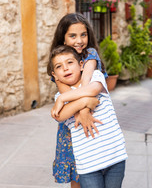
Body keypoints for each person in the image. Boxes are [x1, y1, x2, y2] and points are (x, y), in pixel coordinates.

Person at [49, 45, 128, 188]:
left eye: (70, 62)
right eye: (59, 66)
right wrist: (85, 101)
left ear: (81, 65)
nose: (65, 68)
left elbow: (93, 90)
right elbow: (59, 116)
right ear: (55, 75)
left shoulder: (95, 77)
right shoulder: (58, 97)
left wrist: (64, 99)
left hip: (114, 156)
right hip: (88, 165)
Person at [47, 13, 108, 188]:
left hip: (95, 121)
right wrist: (83, 108)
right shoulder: (59, 62)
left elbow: (86, 86)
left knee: (98, 172)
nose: (79, 40)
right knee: (77, 176)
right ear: (63, 39)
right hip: (72, 126)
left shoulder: (90, 55)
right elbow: (74, 95)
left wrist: (84, 109)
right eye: (72, 36)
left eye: (83, 34)